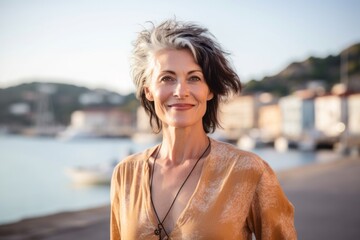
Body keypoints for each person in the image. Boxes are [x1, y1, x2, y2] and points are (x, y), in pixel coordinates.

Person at [110, 19, 296, 240]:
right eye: (167, 78)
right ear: (148, 90)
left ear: (209, 91)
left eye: (194, 78)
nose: (181, 91)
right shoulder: (126, 173)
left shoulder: (248, 171)